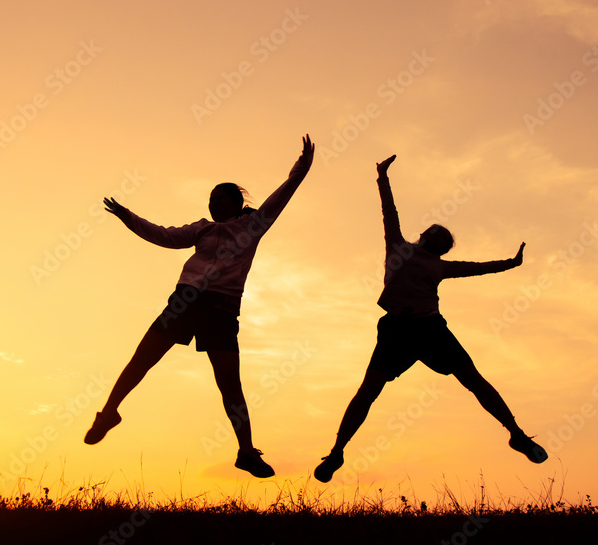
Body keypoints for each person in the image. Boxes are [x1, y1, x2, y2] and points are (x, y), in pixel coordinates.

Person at [85, 135, 315, 479]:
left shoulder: (253, 225)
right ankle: (109, 413)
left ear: (236, 203)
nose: (213, 203)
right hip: (185, 302)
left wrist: (301, 167)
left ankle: (247, 452)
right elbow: (163, 235)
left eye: (220, 199)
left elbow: (281, 196)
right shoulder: (202, 230)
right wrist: (127, 216)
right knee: (141, 360)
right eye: (210, 199)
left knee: (230, 385)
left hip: (221, 309)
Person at [313, 154, 546, 483]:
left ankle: (517, 435)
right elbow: (388, 210)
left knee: (473, 380)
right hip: (395, 329)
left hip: (430, 327)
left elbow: (478, 268)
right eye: (435, 232)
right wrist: (382, 176)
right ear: (423, 234)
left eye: (444, 238)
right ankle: (336, 452)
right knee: (368, 391)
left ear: (444, 249)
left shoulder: (441, 266)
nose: (438, 236)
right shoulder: (398, 245)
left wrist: (511, 263)